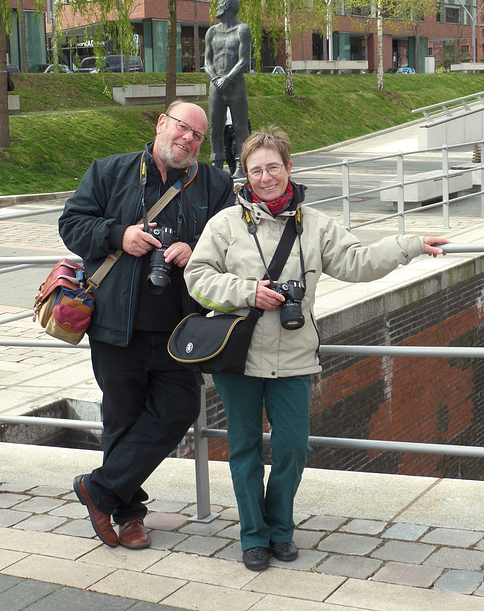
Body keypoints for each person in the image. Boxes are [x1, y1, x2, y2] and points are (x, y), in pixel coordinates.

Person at [184, 126, 449, 571]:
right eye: (256, 170)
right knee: (244, 448)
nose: (265, 177)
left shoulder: (317, 225)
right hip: (238, 357)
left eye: (273, 167)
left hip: (293, 355)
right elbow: (197, 276)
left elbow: (357, 262)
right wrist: (248, 291)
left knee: (292, 448)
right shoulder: (226, 224)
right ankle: (254, 536)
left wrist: (410, 245)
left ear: (289, 167)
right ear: (244, 177)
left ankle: (280, 529)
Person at [58, 100, 235, 550]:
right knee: (122, 417)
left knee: (178, 409)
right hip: (117, 326)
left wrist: (195, 249)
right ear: (161, 124)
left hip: (182, 329)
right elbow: (72, 224)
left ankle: (98, 489)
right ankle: (129, 515)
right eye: (181, 128)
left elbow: (234, 239)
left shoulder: (214, 183)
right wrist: (120, 235)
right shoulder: (109, 172)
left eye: (197, 135)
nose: (188, 139)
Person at [204, 0, 251, 179]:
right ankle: (216, 164)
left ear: (228, 7)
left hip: (236, 84)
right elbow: (207, 61)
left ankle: (241, 164)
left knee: (240, 127)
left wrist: (228, 79)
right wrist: (215, 78)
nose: (217, 8)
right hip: (216, 85)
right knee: (215, 125)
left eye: (220, 4)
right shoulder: (212, 32)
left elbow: (244, 61)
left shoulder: (242, 29)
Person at [224, 107, 252, 176]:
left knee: (236, 150)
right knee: (227, 153)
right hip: (225, 128)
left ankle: (241, 172)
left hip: (239, 126)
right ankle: (233, 173)